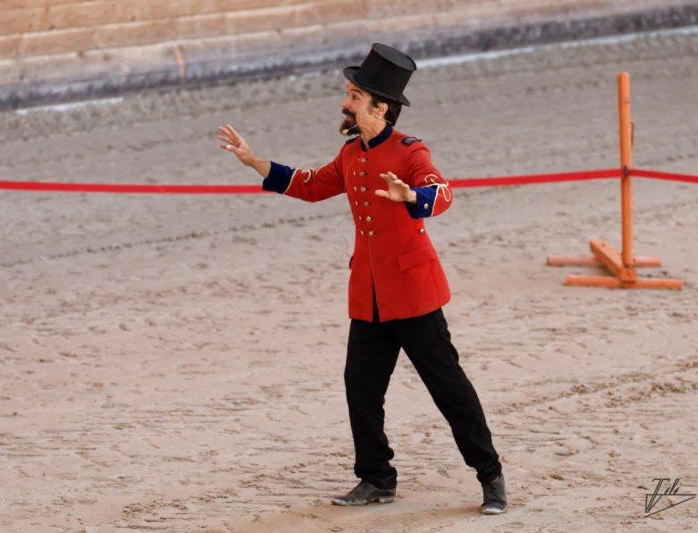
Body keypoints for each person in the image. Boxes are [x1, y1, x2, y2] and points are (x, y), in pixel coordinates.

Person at [217, 43, 507, 515]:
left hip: (413, 294)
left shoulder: (412, 150)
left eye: (353, 96)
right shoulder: (351, 153)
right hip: (370, 296)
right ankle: (376, 478)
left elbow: (443, 192)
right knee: (361, 387)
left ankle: (491, 476)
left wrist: (412, 194)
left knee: (449, 389)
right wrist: (254, 160)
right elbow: (310, 185)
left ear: (379, 107)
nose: (344, 103)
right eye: (348, 93)